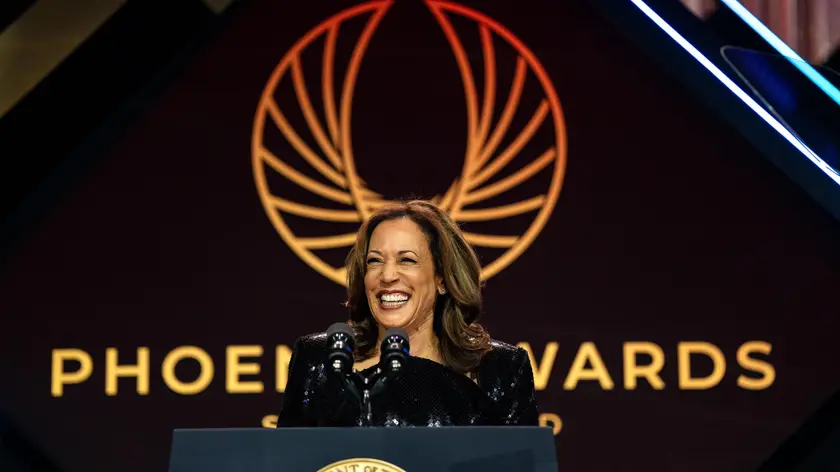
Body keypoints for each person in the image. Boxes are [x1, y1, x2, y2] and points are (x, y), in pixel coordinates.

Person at [277, 200, 538, 427]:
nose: (387, 276)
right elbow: (288, 460)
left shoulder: (499, 369)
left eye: (407, 260)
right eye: (375, 261)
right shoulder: (321, 360)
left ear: (442, 279)